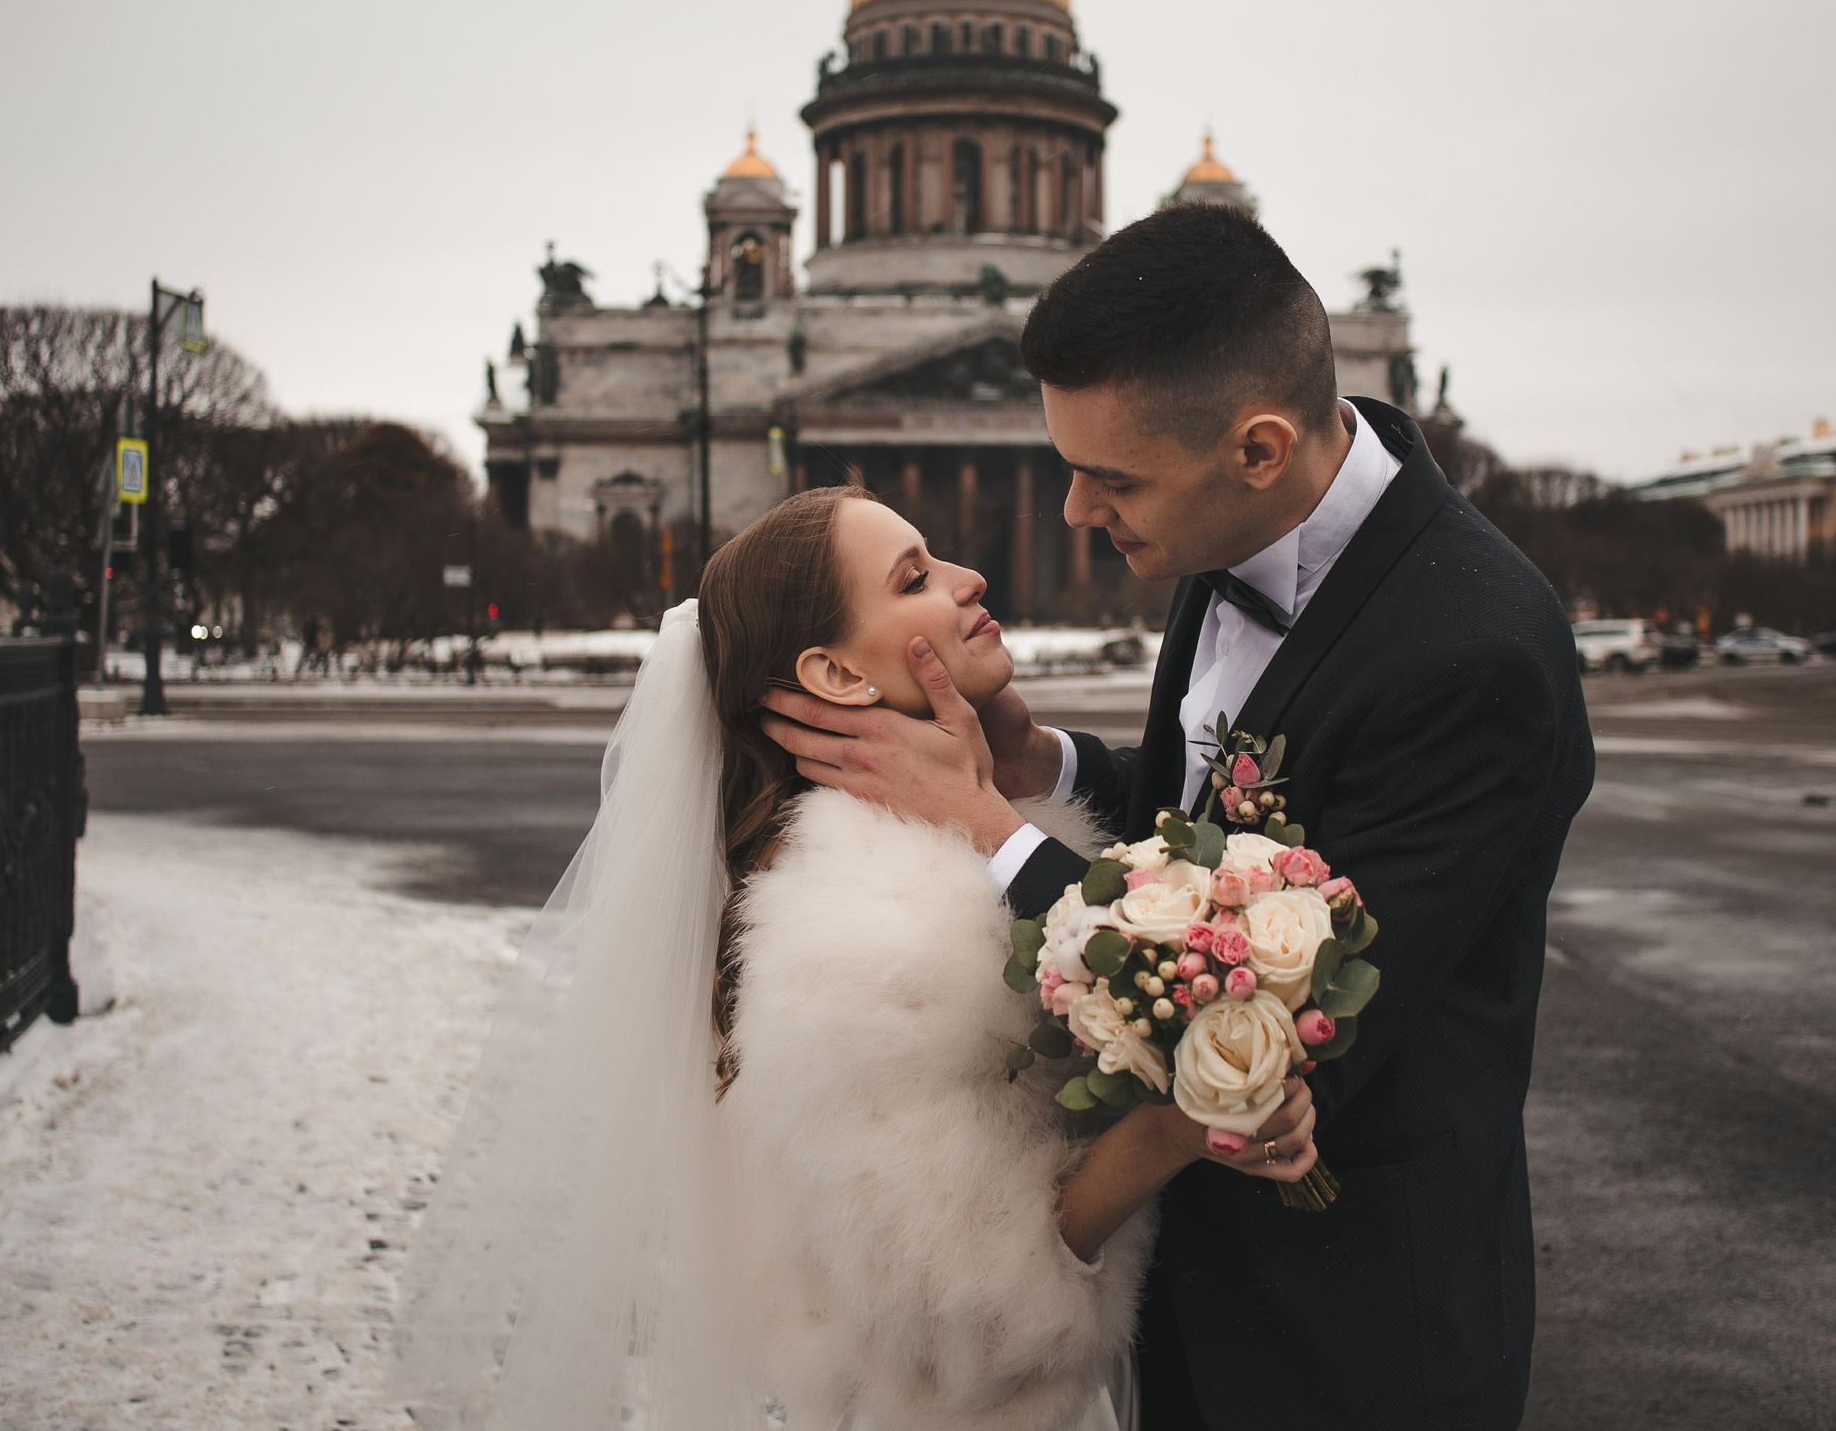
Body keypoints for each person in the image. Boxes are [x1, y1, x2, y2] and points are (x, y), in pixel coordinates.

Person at [762, 203, 1595, 1430]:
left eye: (1110, 480)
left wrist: (990, 832)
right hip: (1178, 1302)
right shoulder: (1234, 526)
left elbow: (1293, 1023)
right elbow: (1202, 812)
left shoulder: (1475, 654)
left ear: (1259, 447)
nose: (1072, 515)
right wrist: (1037, 757)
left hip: (1351, 1330)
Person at [392, 486, 1319, 1431]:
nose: (971, 578)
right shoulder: (871, 930)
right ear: (835, 674)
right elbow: (980, 1316)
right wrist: (1180, 1121)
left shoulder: (939, 844)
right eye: (916, 577)